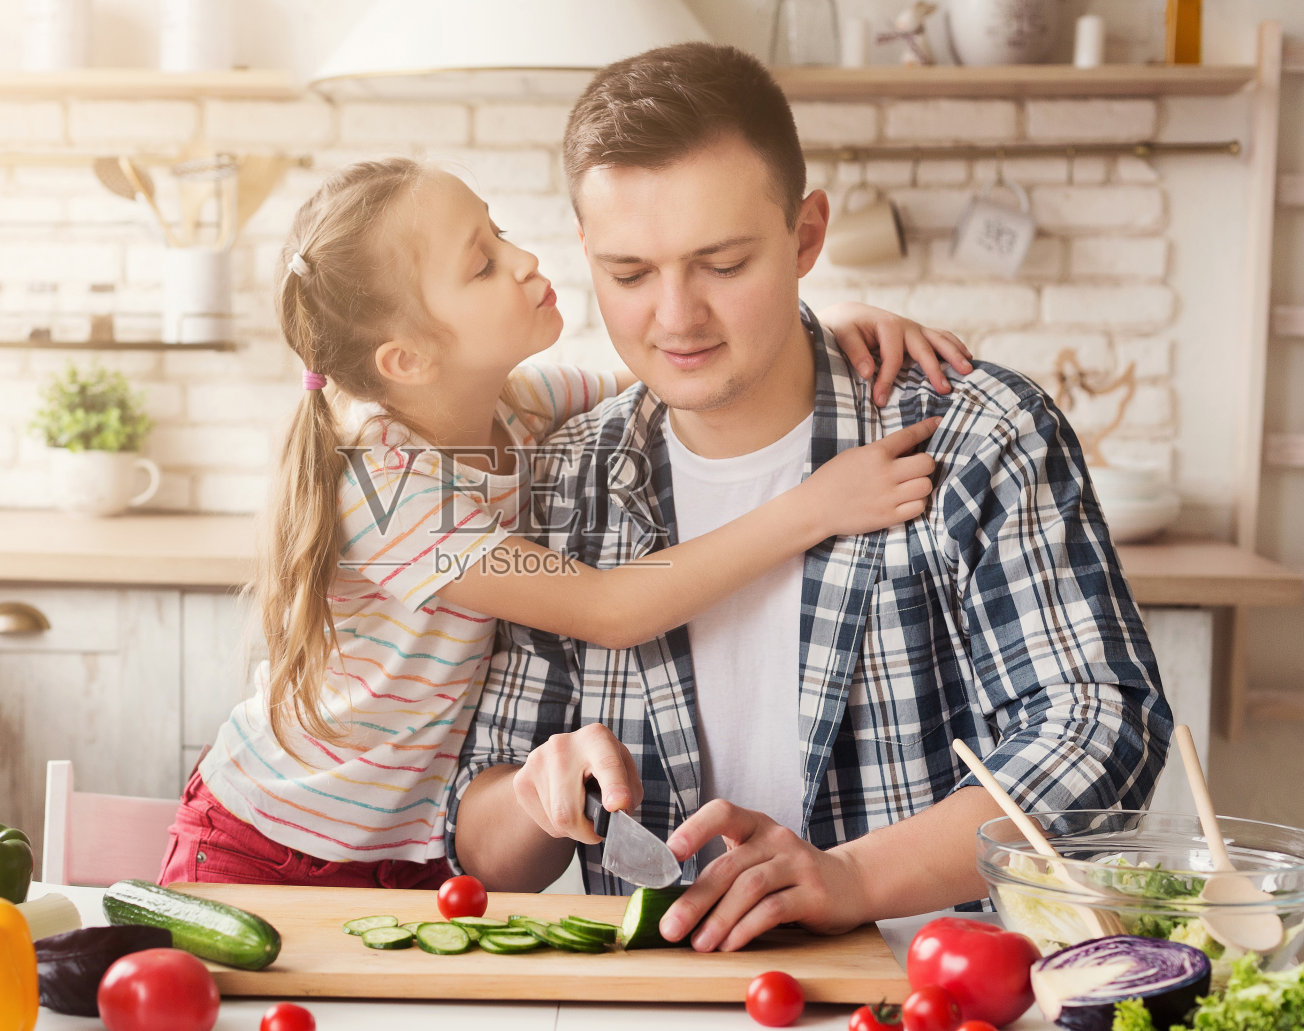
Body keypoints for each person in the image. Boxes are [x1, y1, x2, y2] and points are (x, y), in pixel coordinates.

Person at [446, 42, 1173, 950]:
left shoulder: (977, 434)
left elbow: (1104, 732)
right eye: (630, 274)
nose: (675, 317)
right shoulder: (565, 475)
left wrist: (854, 876)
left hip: (932, 987)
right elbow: (478, 845)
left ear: (805, 237)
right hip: (661, 1002)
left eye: (723, 263)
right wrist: (530, 793)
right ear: (587, 255)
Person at [161, 156, 972, 889]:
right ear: (407, 360)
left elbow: (676, 357)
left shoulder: (516, 408)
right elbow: (612, 607)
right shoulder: (392, 493)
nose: (524, 260)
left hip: (403, 850)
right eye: (481, 265)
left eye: (500, 234)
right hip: (266, 843)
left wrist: (819, 320)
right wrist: (817, 506)